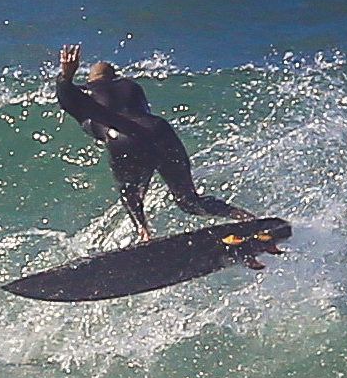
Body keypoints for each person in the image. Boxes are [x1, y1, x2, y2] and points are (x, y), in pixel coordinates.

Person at [53, 43, 245, 242]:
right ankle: (240, 215)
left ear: (89, 80)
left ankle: (143, 233)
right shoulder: (131, 86)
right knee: (188, 200)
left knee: (131, 193)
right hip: (160, 130)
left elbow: (66, 95)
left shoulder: (83, 94)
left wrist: (66, 77)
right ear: (115, 76)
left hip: (123, 139)